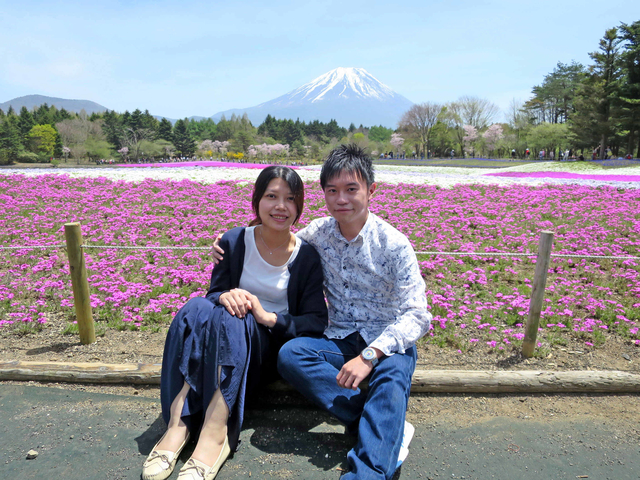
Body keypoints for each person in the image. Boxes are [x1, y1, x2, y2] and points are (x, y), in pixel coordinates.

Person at [214, 144, 431, 479]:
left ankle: (366, 472)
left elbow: (417, 316)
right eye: (332, 190)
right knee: (291, 355)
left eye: (351, 189)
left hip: (386, 342)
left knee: (392, 377)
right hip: (340, 338)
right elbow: (275, 241)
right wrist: (230, 243)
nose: (341, 199)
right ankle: (384, 425)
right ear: (324, 194)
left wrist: (370, 355)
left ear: (371, 191)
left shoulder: (394, 244)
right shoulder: (318, 232)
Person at [143, 166, 328, 480]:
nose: (280, 206)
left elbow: (315, 321)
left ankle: (215, 433)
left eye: (290, 199)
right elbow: (214, 294)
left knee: (234, 319)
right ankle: (178, 424)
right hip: (224, 338)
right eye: (271, 196)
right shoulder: (233, 241)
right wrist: (225, 296)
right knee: (195, 308)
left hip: (263, 350)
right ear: (256, 200)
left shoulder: (306, 257)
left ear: (299, 207)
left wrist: (266, 316)